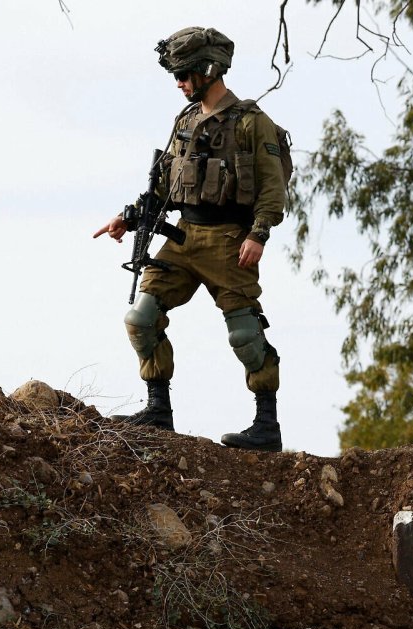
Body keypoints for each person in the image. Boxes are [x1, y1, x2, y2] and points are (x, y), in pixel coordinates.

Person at [94, 26, 286, 452]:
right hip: (182, 236)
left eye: (184, 74)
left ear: (209, 70)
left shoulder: (253, 124)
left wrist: (259, 234)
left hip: (229, 240)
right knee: (140, 319)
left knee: (244, 333)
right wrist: (128, 217)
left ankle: (266, 424)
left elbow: (274, 190)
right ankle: (158, 410)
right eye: (176, 75)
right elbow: (165, 183)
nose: (179, 84)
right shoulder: (185, 120)